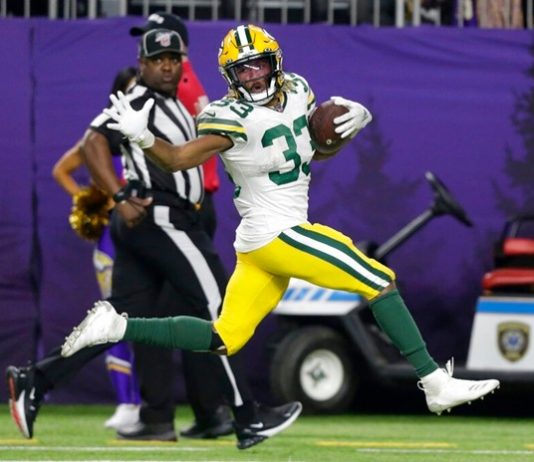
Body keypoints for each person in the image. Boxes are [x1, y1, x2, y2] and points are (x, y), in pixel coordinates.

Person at [62, 24, 502, 428]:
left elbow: (313, 153)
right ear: (230, 75)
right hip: (276, 233)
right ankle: (433, 382)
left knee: (225, 336)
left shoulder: (298, 91)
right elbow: (178, 159)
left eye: (258, 65)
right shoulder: (227, 116)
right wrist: (142, 137)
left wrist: (349, 128)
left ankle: (116, 326)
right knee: (377, 278)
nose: (253, 76)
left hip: (263, 242)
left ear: (275, 62)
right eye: (242, 69)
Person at [6, 27, 301, 451]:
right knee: (220, 304)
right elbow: (92, 143)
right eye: (157, 60)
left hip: (160, 221)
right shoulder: (139, 100)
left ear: (183, 63)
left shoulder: (172, 103)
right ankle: (247, 416)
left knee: (117, 320)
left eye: (173, 59)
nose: (166, 66)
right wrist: (119, 195)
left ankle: (36, 379)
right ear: (141, 65)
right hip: (163, 218)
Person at [50, 66, 142, 432]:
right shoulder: (103, 133)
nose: (137, 95)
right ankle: (126, 402)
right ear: (117, 94)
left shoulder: (154, 129)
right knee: (113, 315)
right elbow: (62, 170)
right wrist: (90, 202)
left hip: (148, 233)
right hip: (112, 238)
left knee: (149, 317)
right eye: (130, 89)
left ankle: (151, 402)